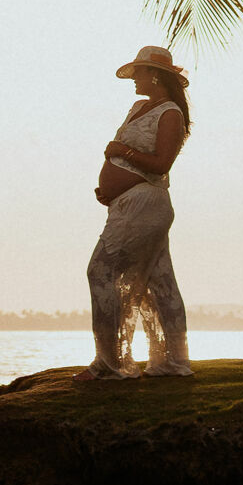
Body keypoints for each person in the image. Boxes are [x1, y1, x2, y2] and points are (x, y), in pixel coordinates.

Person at [77, 45, 193, 381]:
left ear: (155, 75)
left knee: (101, 272)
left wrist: (120, 151)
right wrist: (111, 189)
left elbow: (161, 164)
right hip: (126, 204)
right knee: (159, 282)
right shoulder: (139, 108)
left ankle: (111, 364)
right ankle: (172, 362)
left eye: (139, 72)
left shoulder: (170, 113)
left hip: (146, 205)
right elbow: (124, 162)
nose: (134, 79)